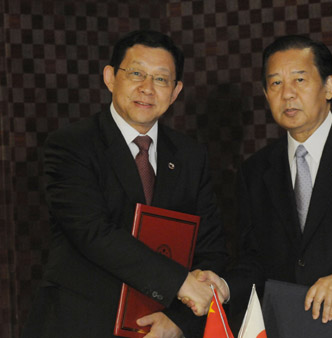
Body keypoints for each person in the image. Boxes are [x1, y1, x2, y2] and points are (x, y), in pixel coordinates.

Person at [188, 35, 332, 337]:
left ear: (329, 87)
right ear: (265, 93)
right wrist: (223, 286)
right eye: (275, 84)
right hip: (286, 327)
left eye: (299, 80)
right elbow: (255, 260)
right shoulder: (255, 170)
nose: (287, 94)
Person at [21, 30, 228, 338]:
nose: (147, 88)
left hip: (161, 329)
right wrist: (180, 284)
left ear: (175, 91)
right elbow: (93, 232)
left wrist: (180, 320)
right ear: (110, 78)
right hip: (79, 324)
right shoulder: (71, 145)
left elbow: (209, 245)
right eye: (136, 73)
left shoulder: (190, 155)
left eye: (160, 79)